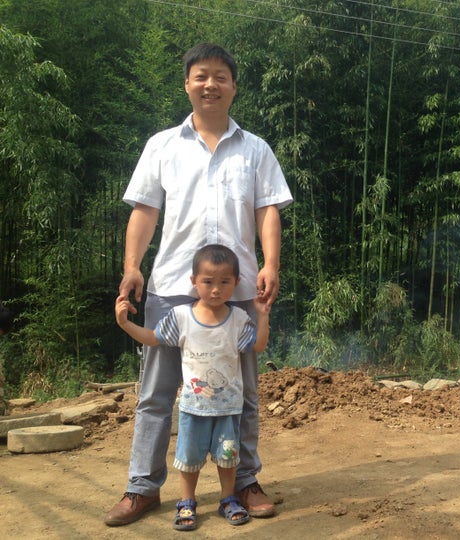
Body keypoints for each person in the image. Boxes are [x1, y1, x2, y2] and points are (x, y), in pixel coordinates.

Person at [104, 42, 293, 527]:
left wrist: (270, 263)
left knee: (244, 393)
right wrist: (133, 266)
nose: (210, 84)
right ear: (187, 83)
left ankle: (246, 483)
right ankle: (142, 488)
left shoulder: (256, 150)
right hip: (171, 287)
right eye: (201, 76)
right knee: (156, 394)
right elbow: (145, 212)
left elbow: (267, 210)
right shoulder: (162, 145)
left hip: (240, 290)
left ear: (234, 86)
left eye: (220, 77)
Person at [115, 244, 270, 531]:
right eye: (208, 282)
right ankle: (187, 502)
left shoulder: (238, 320)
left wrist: (262, 315)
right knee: (188, 459)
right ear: (194, 281)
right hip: (192, 409)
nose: (215, 289)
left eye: (224, 282)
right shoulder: (181, 317)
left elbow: (258, 346)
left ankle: (228, 498)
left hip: (228, 409)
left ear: (236, 283)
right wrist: (125, 324)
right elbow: (153, 339)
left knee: (227, 457)